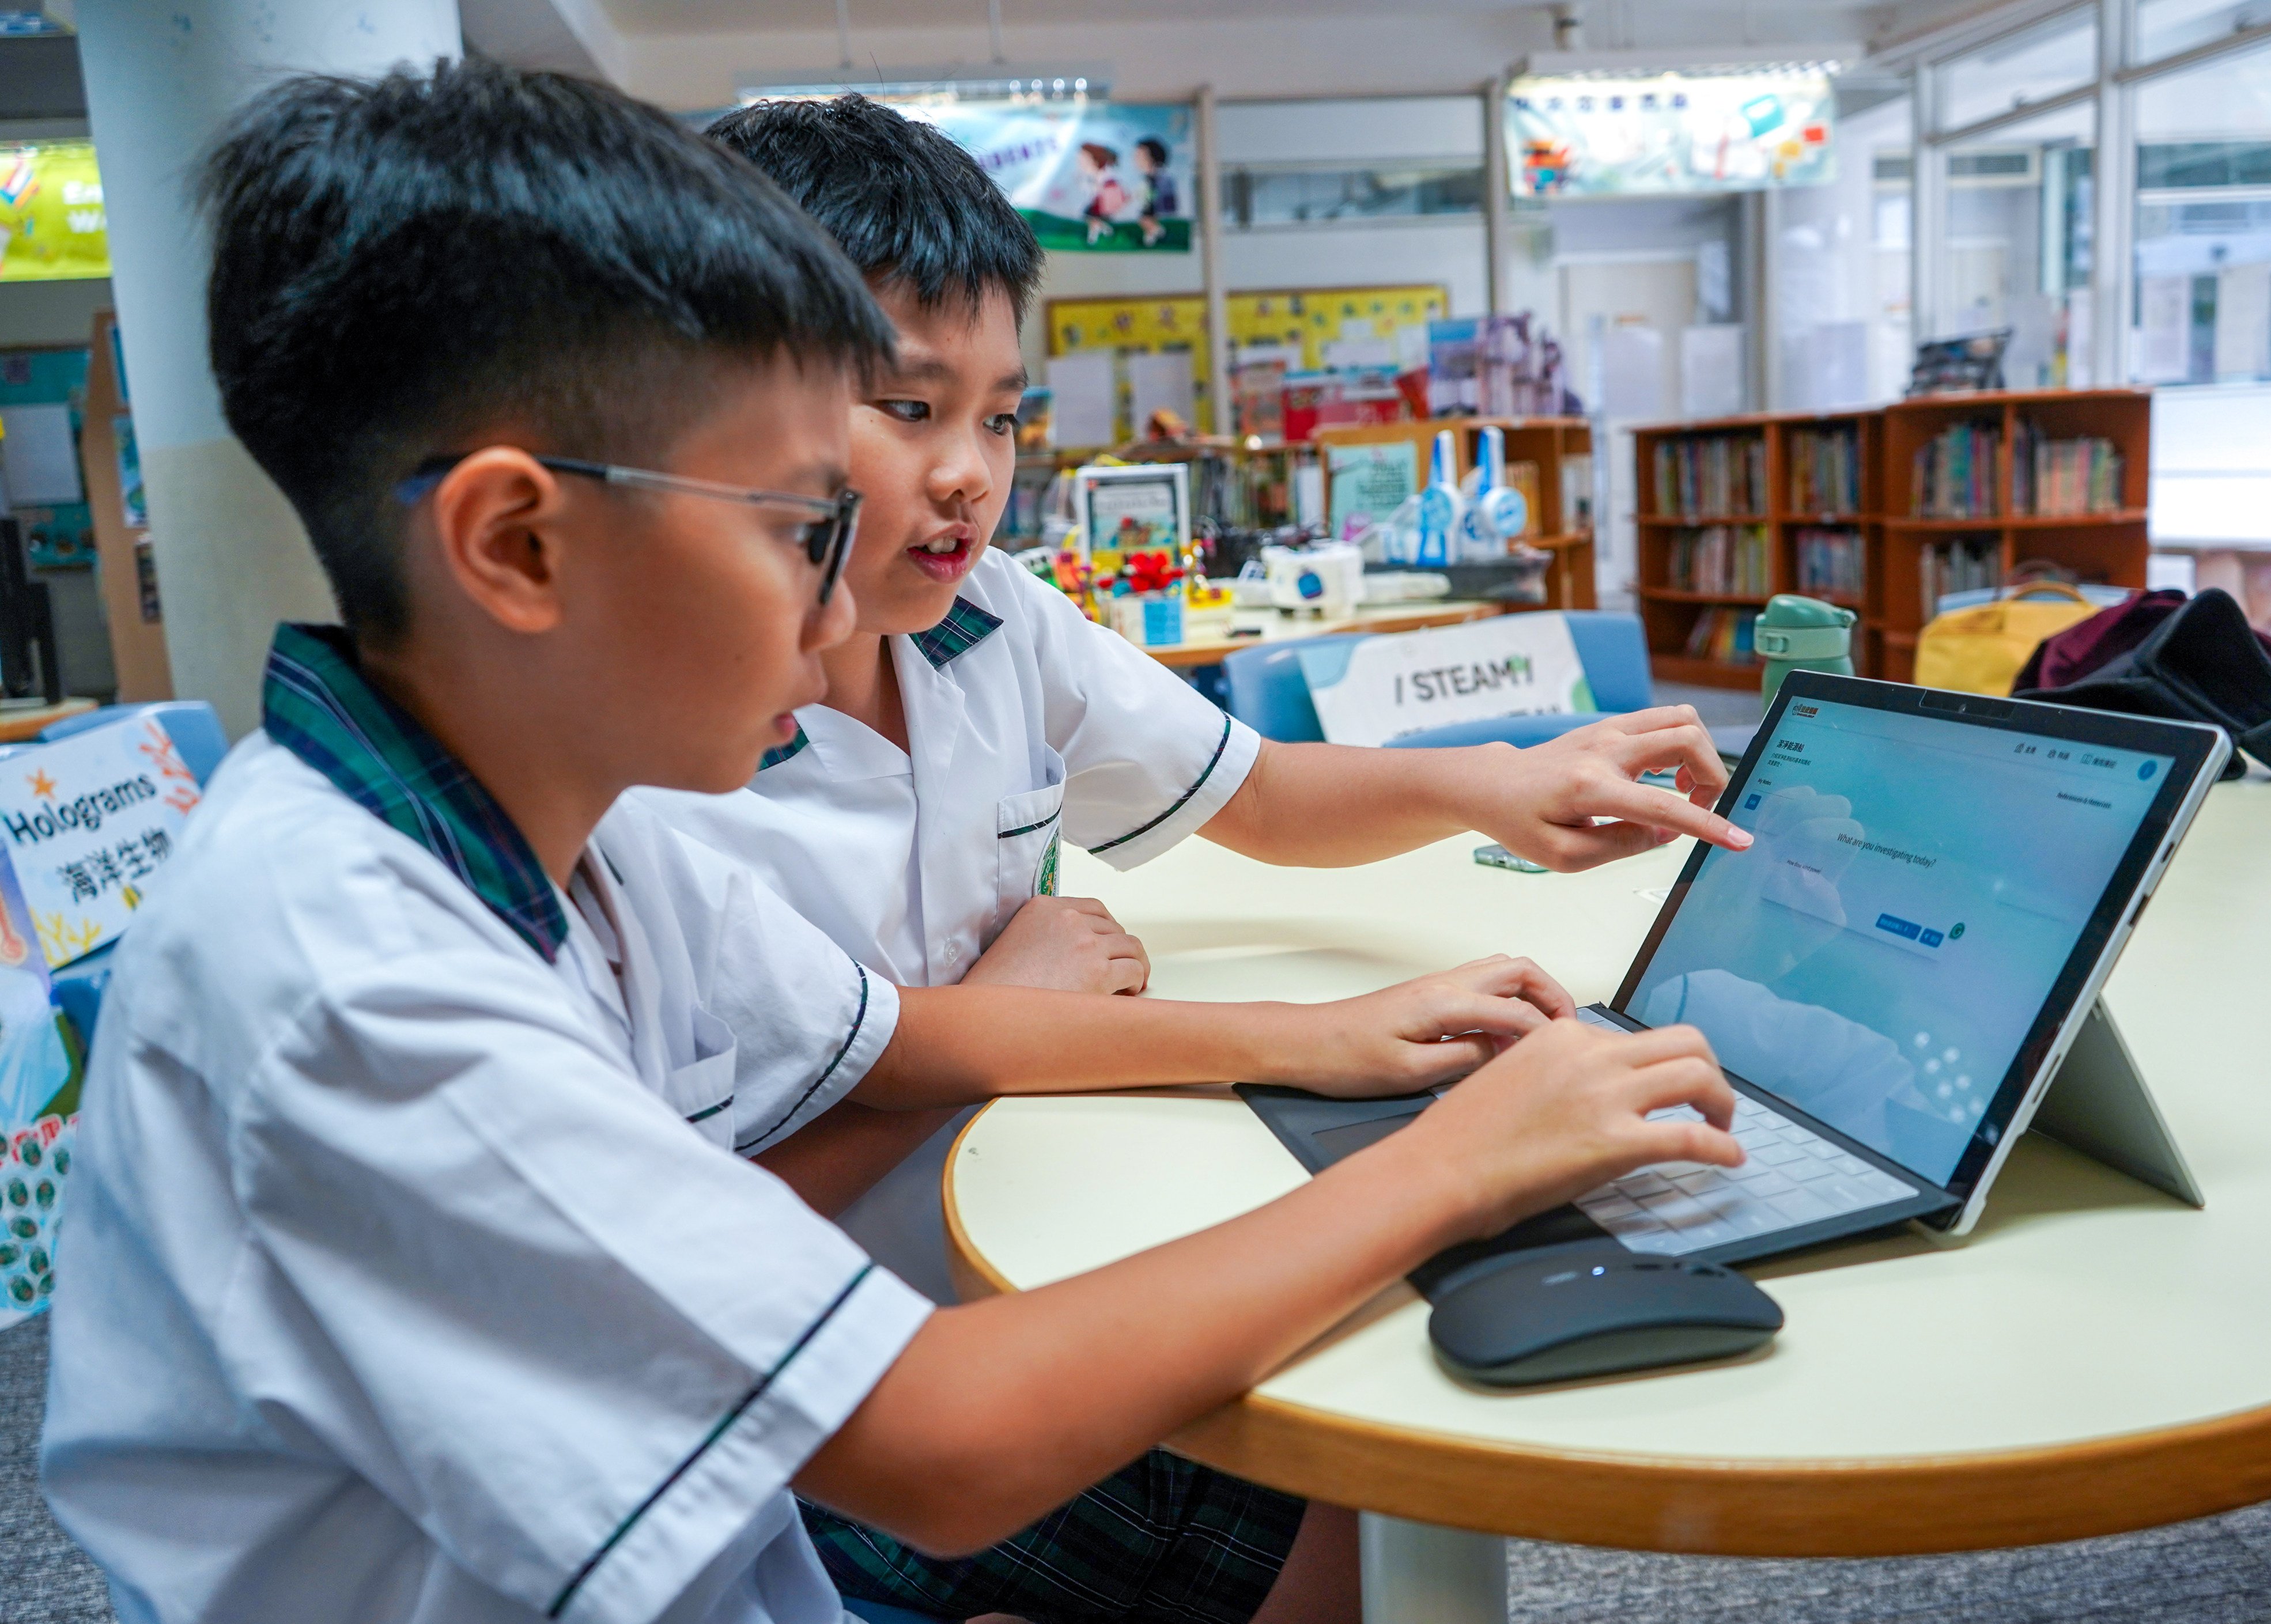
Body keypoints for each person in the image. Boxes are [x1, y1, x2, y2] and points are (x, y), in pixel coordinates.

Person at [39, 60, 1744, 1624]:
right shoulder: (357, 981)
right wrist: (1454, 1163)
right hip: (752, 1509)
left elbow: (909, 1042)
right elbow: (937, 1442)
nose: (850, 590)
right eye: (801, 521)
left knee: (1320, 1440)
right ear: (519, 546)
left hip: (727, 1523)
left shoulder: (561, 826)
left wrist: (1345, 1046)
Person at [641, 92, 1749, 1291]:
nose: (969, 474)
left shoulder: (991, 614)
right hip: (870, 1311)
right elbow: (703, 1237)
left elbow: (1253, 790)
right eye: (910, 408)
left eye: (1002, 418)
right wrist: (1008, 1020)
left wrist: (1493, 781)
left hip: (1054, 1199)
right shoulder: (650, 763)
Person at [1133, 135, 1177, 246]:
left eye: (1140, 155)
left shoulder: (1161, 179)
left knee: (1145, 219)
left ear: (1152, 158)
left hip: (1157, 209)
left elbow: (1163, 198)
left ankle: (1159, 234)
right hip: (1151, 207)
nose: (1136, 159)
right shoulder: (1148, 179)